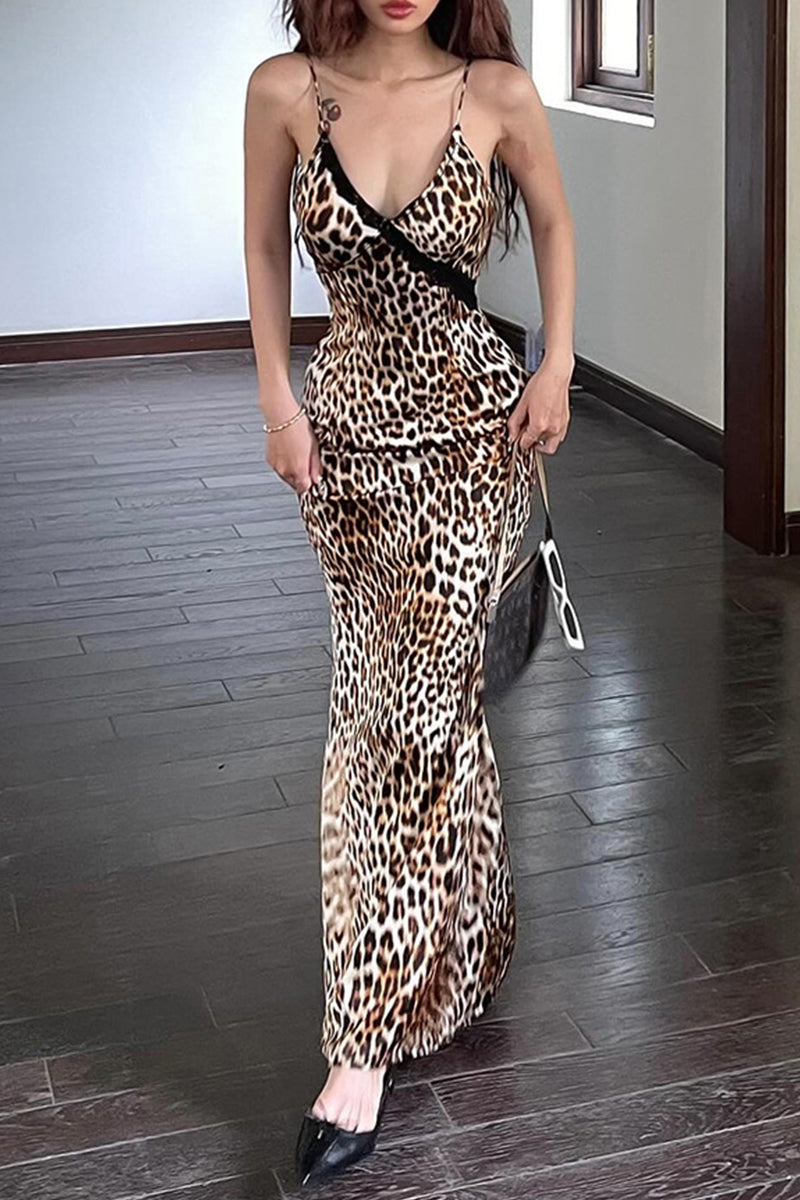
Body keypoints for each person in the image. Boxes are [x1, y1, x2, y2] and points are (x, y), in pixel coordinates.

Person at [243, 0, 575, 1187]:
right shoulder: (284, 89)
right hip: (342, 443)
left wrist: (556, 364)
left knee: (400, 725)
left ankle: (361, 1044)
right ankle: (469, 941)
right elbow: (264, 249)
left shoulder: (495, 94)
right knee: (403, 703)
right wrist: (277, 403)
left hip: (469, 441)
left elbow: (552, 220)